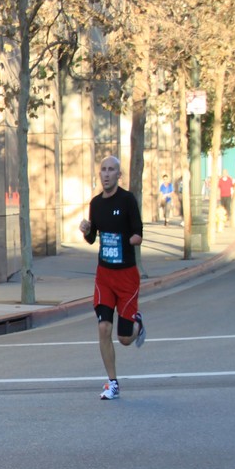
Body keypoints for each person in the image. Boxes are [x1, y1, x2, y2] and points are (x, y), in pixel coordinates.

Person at [79, 155, 145, 400]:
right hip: (104, 276)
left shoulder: (127, 200)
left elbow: (138, 233)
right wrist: (87, 231)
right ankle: (112, 383)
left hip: (126, 277)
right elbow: (92, 238)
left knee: (125, 338)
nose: (106, 174)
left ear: (119, 175)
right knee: (103, 327)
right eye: (103, 170)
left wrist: (129, 240)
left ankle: (138, 324)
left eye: (111, 170)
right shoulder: (96, 203)